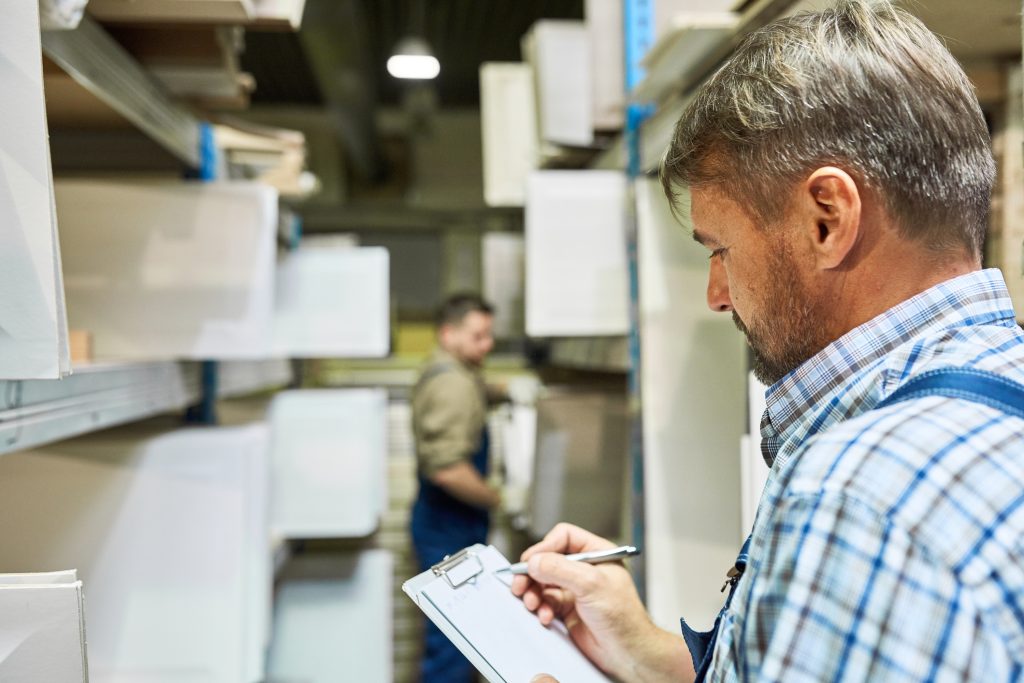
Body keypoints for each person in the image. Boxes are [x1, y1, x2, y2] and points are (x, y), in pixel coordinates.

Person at [513, 1, 1024, 681]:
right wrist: (648, 653)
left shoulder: (856, 499)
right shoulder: (995, 393)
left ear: (826, 219)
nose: (716, 293)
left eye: (721, 249)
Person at [410, 293, 502, 682]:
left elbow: (476, 388)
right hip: (448, 528)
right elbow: (447, 470)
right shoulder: (453, 385)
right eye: (479, 336)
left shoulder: (450, 371)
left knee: (457, 637)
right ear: (449, 334)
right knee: (453, 643)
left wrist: (503, 391)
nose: (489, 344)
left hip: (443, 524)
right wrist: (498, 498)